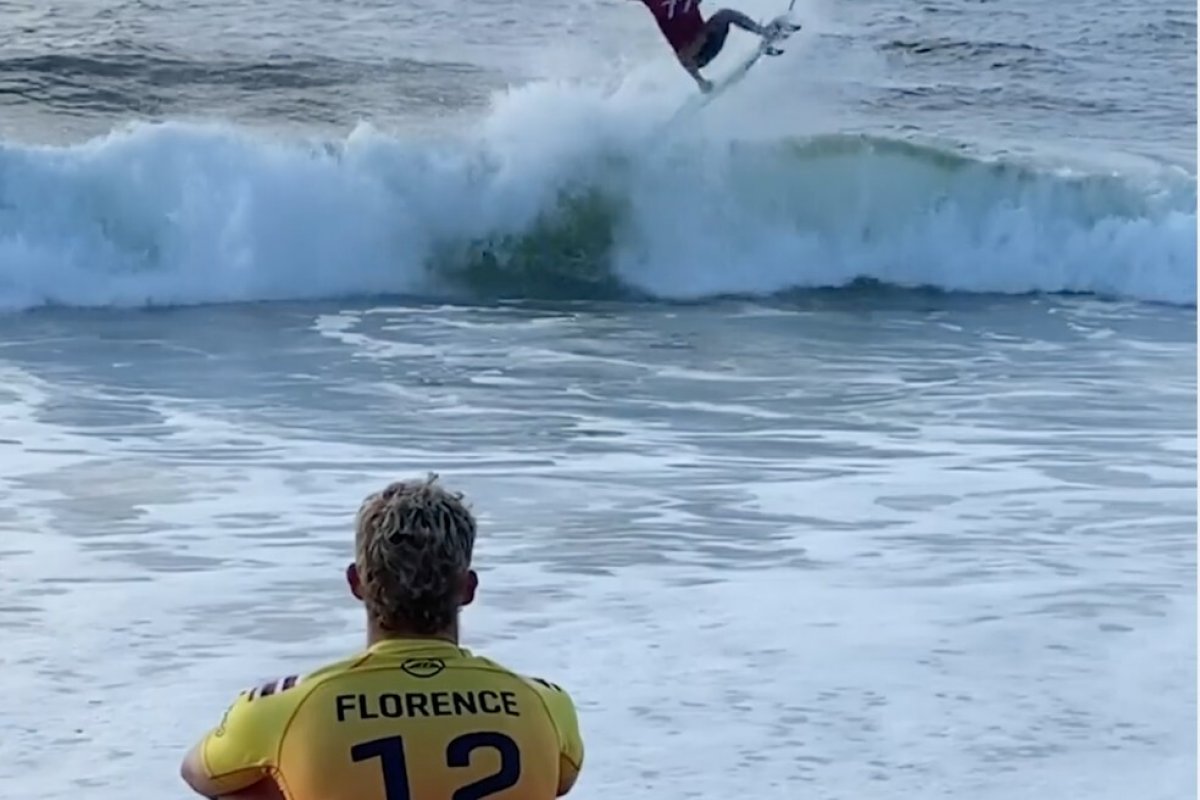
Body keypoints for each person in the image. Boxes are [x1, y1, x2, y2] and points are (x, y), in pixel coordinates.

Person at [180, 475, 584, 800]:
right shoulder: (545, 707)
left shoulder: (283, 710)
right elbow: (560, 783)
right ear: (468, 588)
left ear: (357, 582)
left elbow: (198, 774)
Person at [637, 0, 801, 92]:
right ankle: (701, 83)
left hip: (711, 40)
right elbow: (683, 57)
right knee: (686, 52)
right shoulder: (656, 4)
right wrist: (700, 81)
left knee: (725, 14)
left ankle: (765, 32)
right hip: (695, 57)